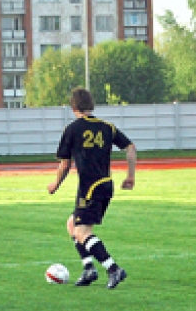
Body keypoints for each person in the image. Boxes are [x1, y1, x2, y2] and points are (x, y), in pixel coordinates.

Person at [48, 88, 136, 289]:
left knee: (81, 231)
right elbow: (130, 147)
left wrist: (55, 184)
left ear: (73, 107)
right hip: (106, 184)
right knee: (72, 224)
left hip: (89, 187)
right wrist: (130, 176)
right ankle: (89, 268)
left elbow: (65, 164)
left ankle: (113, 269)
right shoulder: (107, 127)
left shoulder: (72, 129)